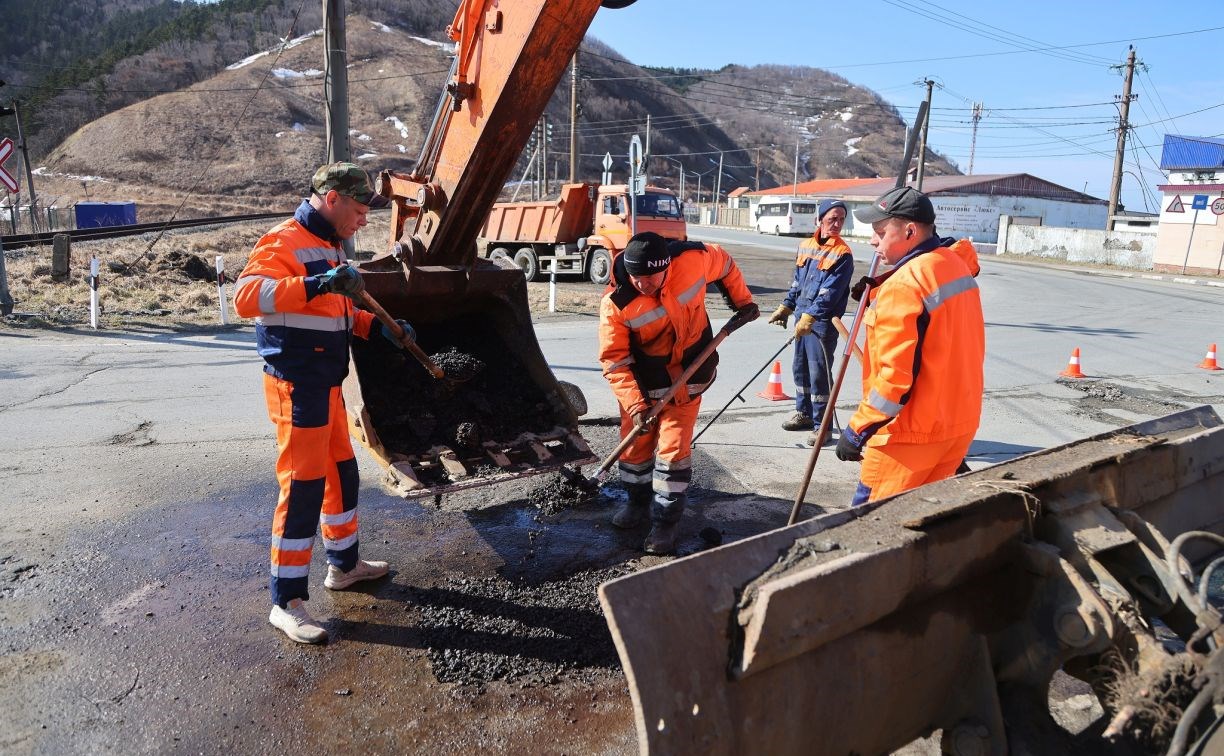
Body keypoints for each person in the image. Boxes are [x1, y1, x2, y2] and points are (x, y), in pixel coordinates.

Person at [234, 162, 413, 644]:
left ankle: (345, 565)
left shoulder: (329, 245)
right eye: (358, 210)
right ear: (331, 198)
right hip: (297, 386)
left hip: (328, 385)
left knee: (342, 473)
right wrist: (322, 283)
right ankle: (286, 601)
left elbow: (334, 312)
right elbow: (247, 297)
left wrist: (379, 328)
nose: (364, 220)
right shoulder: (283, 242)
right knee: (304, 487)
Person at [598, 232, 758, 554]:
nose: (643, 283)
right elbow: (615, 362)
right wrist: (636, 405)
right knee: (635, 451)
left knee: (672, 454)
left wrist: (743, 302)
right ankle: (636, 503)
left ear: (666, 266)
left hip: (689, 382)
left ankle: (665, 524)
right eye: (636, 277)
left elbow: (725, 263)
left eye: (650, 277)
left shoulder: (693, 261)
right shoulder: (616, 303)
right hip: (643, 388)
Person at [834, 186, 984, 506]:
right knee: (929, 521)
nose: (873, 241)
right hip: (956, 428)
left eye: (880, 231)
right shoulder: (955, 266)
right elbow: (931, 325)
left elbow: (895, 378)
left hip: (908, 440)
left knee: (869, 529)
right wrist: (877, 288)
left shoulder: (904, 285)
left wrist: (857, 430)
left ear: (910, 231)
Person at [767, 199, 854, 445]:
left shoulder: (843, 254)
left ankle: (822, 426)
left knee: (819, 374)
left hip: (822, 322)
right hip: (802, 318)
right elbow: (798, 281)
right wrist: (786, 306)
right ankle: (804, 414)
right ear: (820, 219)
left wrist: (810, 316)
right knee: (800, 368)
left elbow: (830, 292)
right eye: (832, 219)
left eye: (841, 219)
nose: (836, 224)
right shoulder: (805, 246)